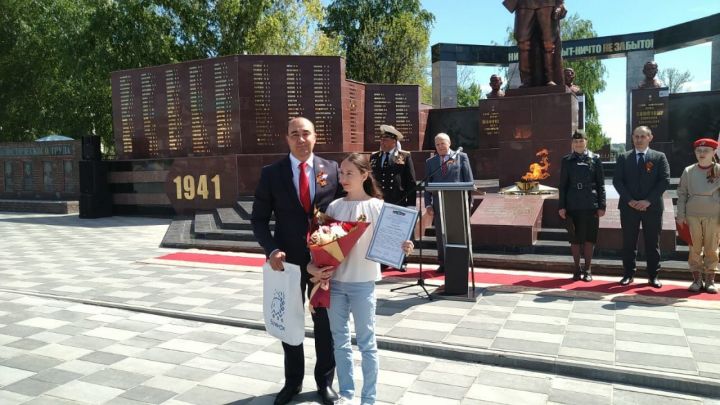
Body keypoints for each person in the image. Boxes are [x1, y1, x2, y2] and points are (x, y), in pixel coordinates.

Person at [308, 153, 414, 405]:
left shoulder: (377, 208)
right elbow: (323, 245)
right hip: (335, 284)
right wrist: (315, 265)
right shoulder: (334, 207)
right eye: (341, 173)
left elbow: (392, 242)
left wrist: (404, 246)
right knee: (340, 342)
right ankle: (346, 393)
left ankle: (369, 398)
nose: (343, 178)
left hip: (363, 284)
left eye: (349, 173)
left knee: (367, 343)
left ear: (364, 175)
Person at [251, 117, 342, 405]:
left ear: (315, 137)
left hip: (324, 262)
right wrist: (271, 250)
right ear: (286, 138)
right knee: (290, 322)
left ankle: (325, 382)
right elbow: (259, 219)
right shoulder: (271, 174)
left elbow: (343, 212)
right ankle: (292, 383)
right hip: (287, 264)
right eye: (294, 134)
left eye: (306, 134)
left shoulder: (332, 169)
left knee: (325, 324)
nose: (301, 139)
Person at [612, 126, 670, 288]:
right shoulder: (623, 157)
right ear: (632, 138)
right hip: (628, 207)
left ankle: (653, 276)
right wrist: (630, 200)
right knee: (629, 242)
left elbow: (664, 181)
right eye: (636, 136)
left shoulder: (659, 157)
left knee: (652, 243)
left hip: (652, 208)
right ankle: (628, 274)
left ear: (650, 137)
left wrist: (648, 201)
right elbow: (618, 181)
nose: (638, 139)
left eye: (642, 136)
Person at [558, 130, 606, 282]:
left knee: (589, 238)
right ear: (572, 143)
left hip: (590, 203)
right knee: (574, 238)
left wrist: (602, 205)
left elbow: (601, 184)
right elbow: (563, 185)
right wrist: (562, 206)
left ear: (586, 142)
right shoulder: (566, 160)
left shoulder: (595, 159)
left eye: (581, 141)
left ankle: (588, 269)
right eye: (575, 141)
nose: (578, 144)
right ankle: (576, 268)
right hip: (572, 204)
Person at [424, 133, 474, 273]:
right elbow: (427, 185)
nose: (440, 147)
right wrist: (428, 204)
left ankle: (462, 262)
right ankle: (443, 262)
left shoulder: (461, 157)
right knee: (441, 234)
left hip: (458, 204)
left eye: (442, 143)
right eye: (437, 144)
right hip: (439, 205)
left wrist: (469, 204)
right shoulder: (430, 162)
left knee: (459, 233)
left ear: (449, 143)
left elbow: (469, 182)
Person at [369, 125, 416, 271]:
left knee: (398, 231)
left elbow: (411, 182)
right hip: (379, 201)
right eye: (381, 139)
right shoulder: (374, 157)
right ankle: (383, 259)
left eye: (386, 140)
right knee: (382, 230)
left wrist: (411, 204)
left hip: (398, 200)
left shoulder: (404, 156)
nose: (382, 142)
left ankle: (400, 260)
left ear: (394, 142)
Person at [676, 138, 720, 293]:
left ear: (714, 152)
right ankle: (697, 279)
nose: (702, 154)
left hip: (714, 216)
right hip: (692, 215)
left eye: (706, 150)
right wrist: (680, 215)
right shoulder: (688, 171)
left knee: (712, 248)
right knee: (694, 248)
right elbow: (681, 194)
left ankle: (710, 281)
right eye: (699, 151)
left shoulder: (719, 170)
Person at [504, 0, 567, 87]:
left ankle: (550, 78)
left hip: (547, 3)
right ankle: (526, 80)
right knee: (522, 42)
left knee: (548, 43)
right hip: (523, 4)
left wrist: (560, 3)